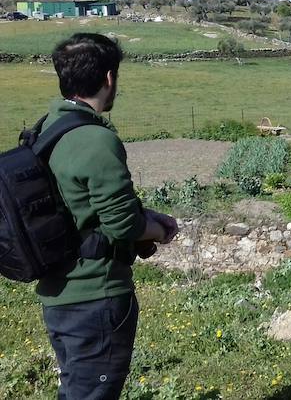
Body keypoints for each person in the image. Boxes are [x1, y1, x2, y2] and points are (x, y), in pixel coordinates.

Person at [38, 33, 179, 399]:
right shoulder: (95, 140)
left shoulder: (45, 130)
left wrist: (144, 214)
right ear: (109, 78)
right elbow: (122, 224)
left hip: (59, 292)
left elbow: (85, 207)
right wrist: (158, 230)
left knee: (76, 391)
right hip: (94, 296)